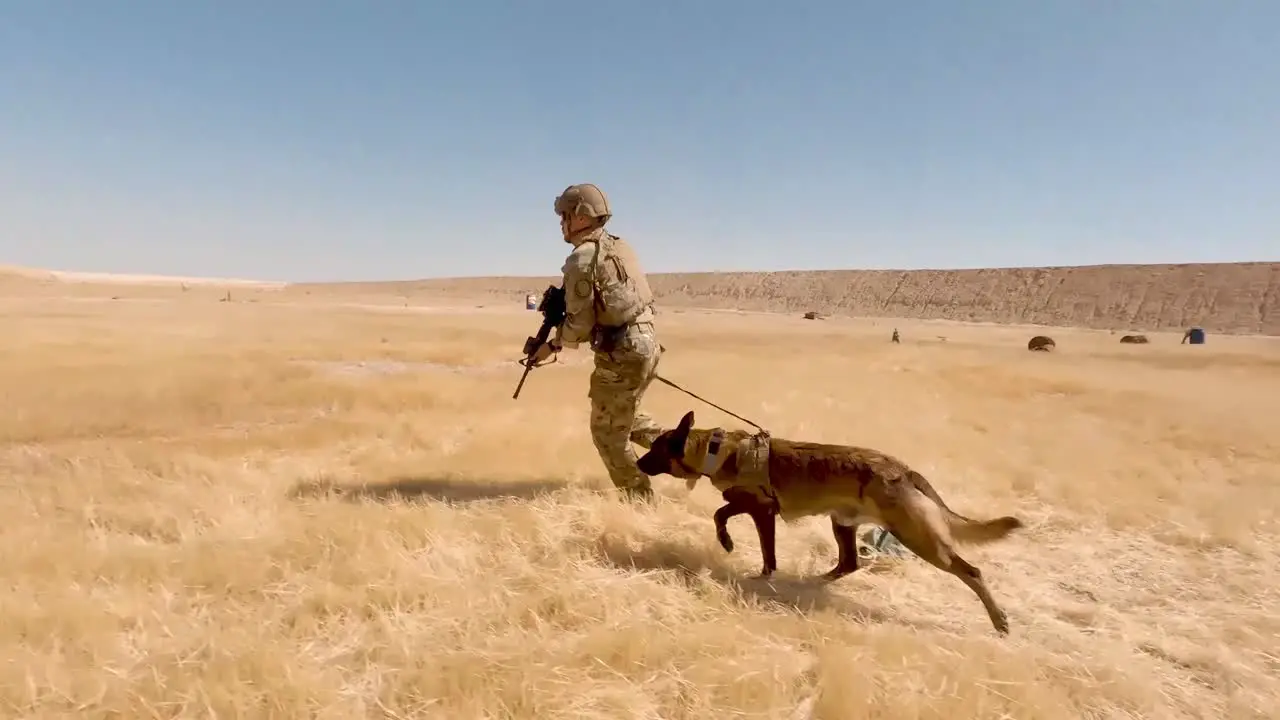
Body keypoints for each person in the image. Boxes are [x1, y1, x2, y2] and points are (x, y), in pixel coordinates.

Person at [531, 183, 666, 501]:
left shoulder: (581, 259)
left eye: (565, 215)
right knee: (626, 419)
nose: (561, 222)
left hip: (624, 351)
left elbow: (579, 325)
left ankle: (640, 501)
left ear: (580, 217)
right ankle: (692, 448)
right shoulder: (619, 247)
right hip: (645, 343)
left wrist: (551, 345)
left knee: (607, 433)